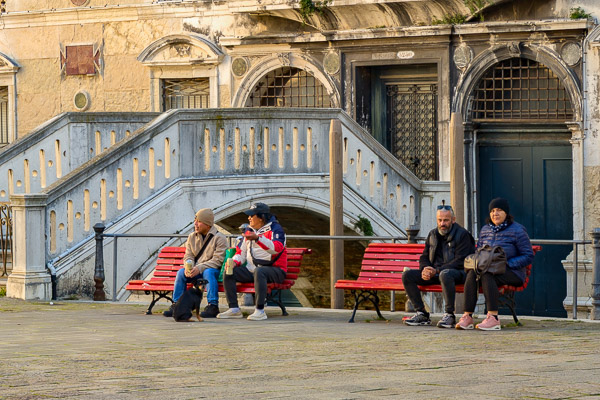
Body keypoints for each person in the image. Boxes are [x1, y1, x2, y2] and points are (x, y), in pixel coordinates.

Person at [456, 198, 534, 331]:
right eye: (492, 211)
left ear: (506, 213)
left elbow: (528, 255)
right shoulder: (485, 229)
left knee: (487, 273)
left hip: (512, 272)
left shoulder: (518, 230)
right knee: (473, 272)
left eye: (499, 210)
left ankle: (493, 318)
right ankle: (467, 316)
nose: (495, 214)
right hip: (488, 269)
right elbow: (479, 250)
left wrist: (507, 264)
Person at [403, 205, 475, 328]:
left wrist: (436, 270)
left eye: (446, 220)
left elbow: (461, 261)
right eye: (440, 220)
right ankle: (422, 313)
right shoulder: (432, 234)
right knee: (407, 275)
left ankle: (449, 315)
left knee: (445, 274)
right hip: (435, 273)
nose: (442, 223)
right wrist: (425, 269)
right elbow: (424, 257)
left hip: (458, 273)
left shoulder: (463, 235)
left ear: (453, 219)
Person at [217, 202, 287, 321]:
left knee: (259, 271)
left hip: (276, 271)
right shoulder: (249, 231)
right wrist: (234, 262)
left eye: (252, 215)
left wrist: (258, 238)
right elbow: (241, 252)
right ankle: (234, 309)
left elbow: (276, 249)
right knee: (229, 271)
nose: (249, 218)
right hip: (252, 269)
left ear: (261, 217)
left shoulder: (276, 230)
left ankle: (260, 310)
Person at [163, 208, 228, 318]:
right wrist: (189, 267)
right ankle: (177, 304)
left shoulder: (219, 238)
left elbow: (217, 260)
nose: (195, 224)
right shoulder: (192, 236)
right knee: (181, 273)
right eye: (195, 221)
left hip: (212, 270)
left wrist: (200, 268)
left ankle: (213, 306)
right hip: (196, 270)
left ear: (208, 224)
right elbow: (188, 255)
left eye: (199, 221)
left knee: (208, 273)